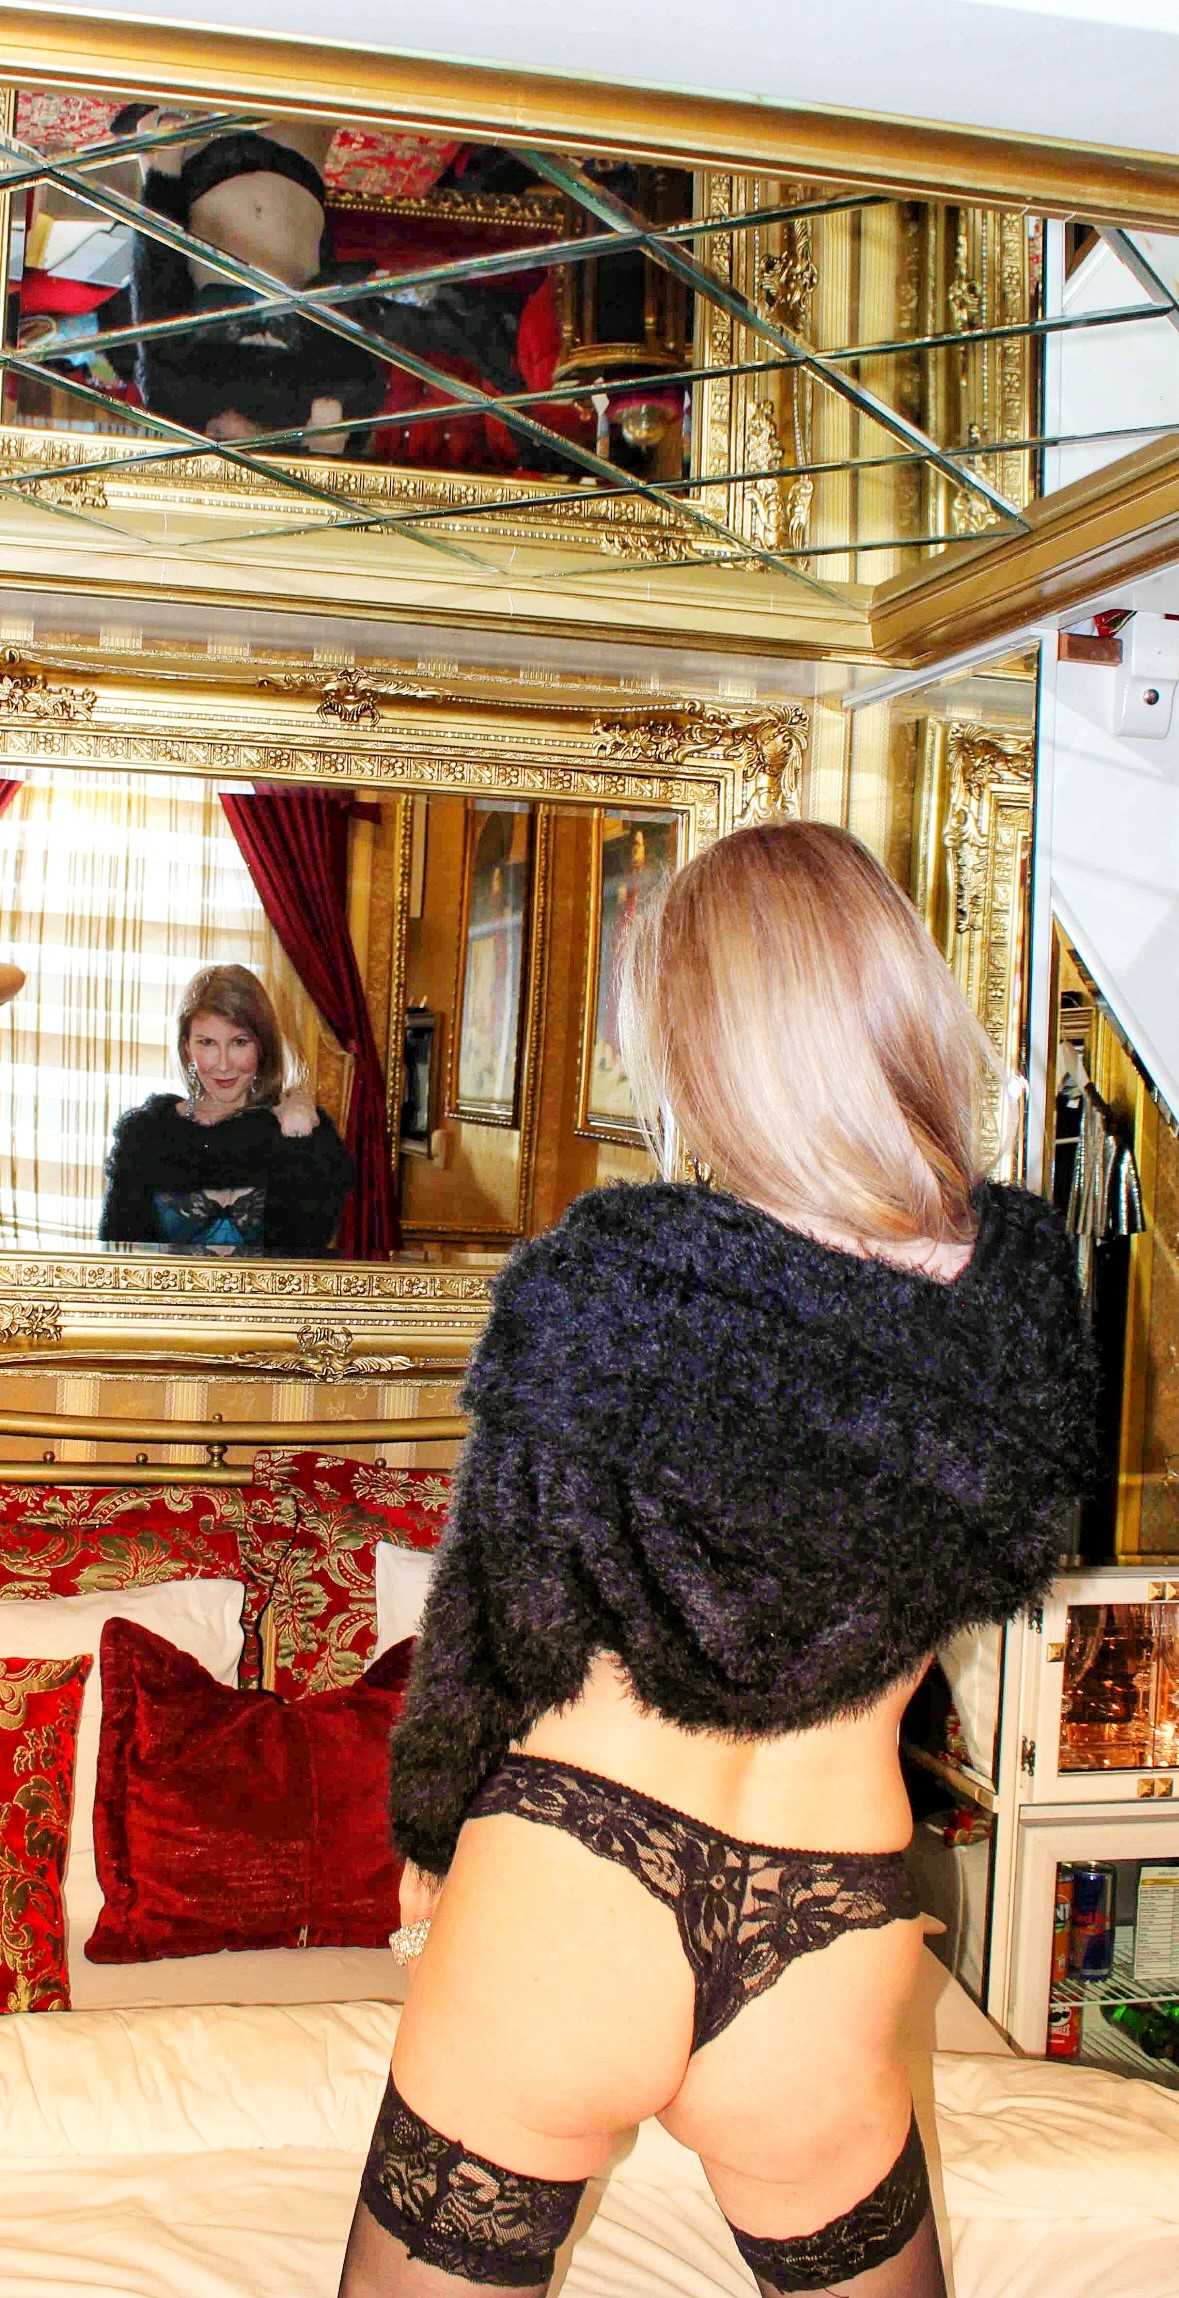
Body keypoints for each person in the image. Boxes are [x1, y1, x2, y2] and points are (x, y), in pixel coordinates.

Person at [340, 821, 1095, 2298]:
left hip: (569, 1875)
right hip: (829, 1914)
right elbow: (999, 1550)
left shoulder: (608, 1273)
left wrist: (430, 1838)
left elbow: (498, 1619)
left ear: (699, 1045)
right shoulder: (1022, 1303)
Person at [100, 963, 352, 1255]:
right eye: (207, 1042)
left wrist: (297, 1140)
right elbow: (117, 1260)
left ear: (263, 1046)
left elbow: (308, 1258)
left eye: (239, 1042)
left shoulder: (302, 1132)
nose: (223, 1064)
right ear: (187, 1048)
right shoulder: (146, 1136)